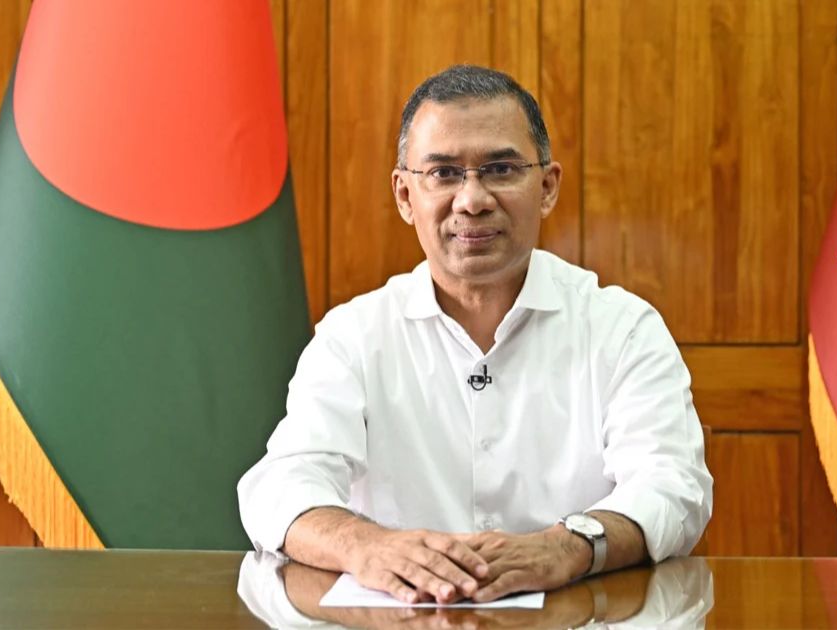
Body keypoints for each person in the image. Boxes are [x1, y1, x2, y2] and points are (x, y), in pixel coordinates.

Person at [237, 64, 712, 605]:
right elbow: (281, 485)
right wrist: (366, 546)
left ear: (547, 187)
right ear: (404, 195)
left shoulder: (622, 329)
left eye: (501, 169)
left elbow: (673, 487)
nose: (472, 199)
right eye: (443, 173)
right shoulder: (354, 335)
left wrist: (570, 545)